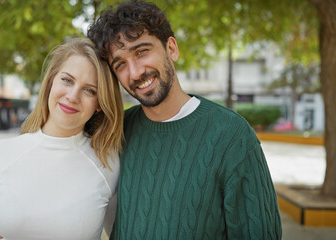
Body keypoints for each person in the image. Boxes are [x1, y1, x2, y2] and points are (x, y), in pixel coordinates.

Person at [87, 1, 282, 239]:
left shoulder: (232, 135)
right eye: (121, 64)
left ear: (171, 49)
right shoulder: (116, 131)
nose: (136, 72)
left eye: (141, 52)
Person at [0, 38, 124, 240]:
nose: (72, 96)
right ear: (51, 81)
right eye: (67, 80)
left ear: (100, 102)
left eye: (89, 90)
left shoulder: (108, 163)